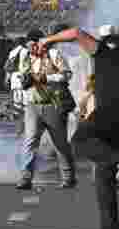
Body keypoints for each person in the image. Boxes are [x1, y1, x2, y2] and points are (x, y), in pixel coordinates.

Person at [43, 27, 119, 229]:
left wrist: (47, 40)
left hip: (110, 117)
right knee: (103, 176)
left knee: (79, 141)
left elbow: (76, 33)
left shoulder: (104, 54)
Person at [12, 29, 77, 191]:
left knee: (60, 144)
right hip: (32, 105)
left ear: (42, 42)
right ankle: (25, 178)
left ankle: (68, 177)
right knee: (30, 142)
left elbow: (67, 75)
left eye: (34, 45)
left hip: (53, 105)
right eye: (29, 46)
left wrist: (46, 78)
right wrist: (24, 80)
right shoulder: (26, 56)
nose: (31, 49)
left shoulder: (54, 54)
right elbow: (21, 75)